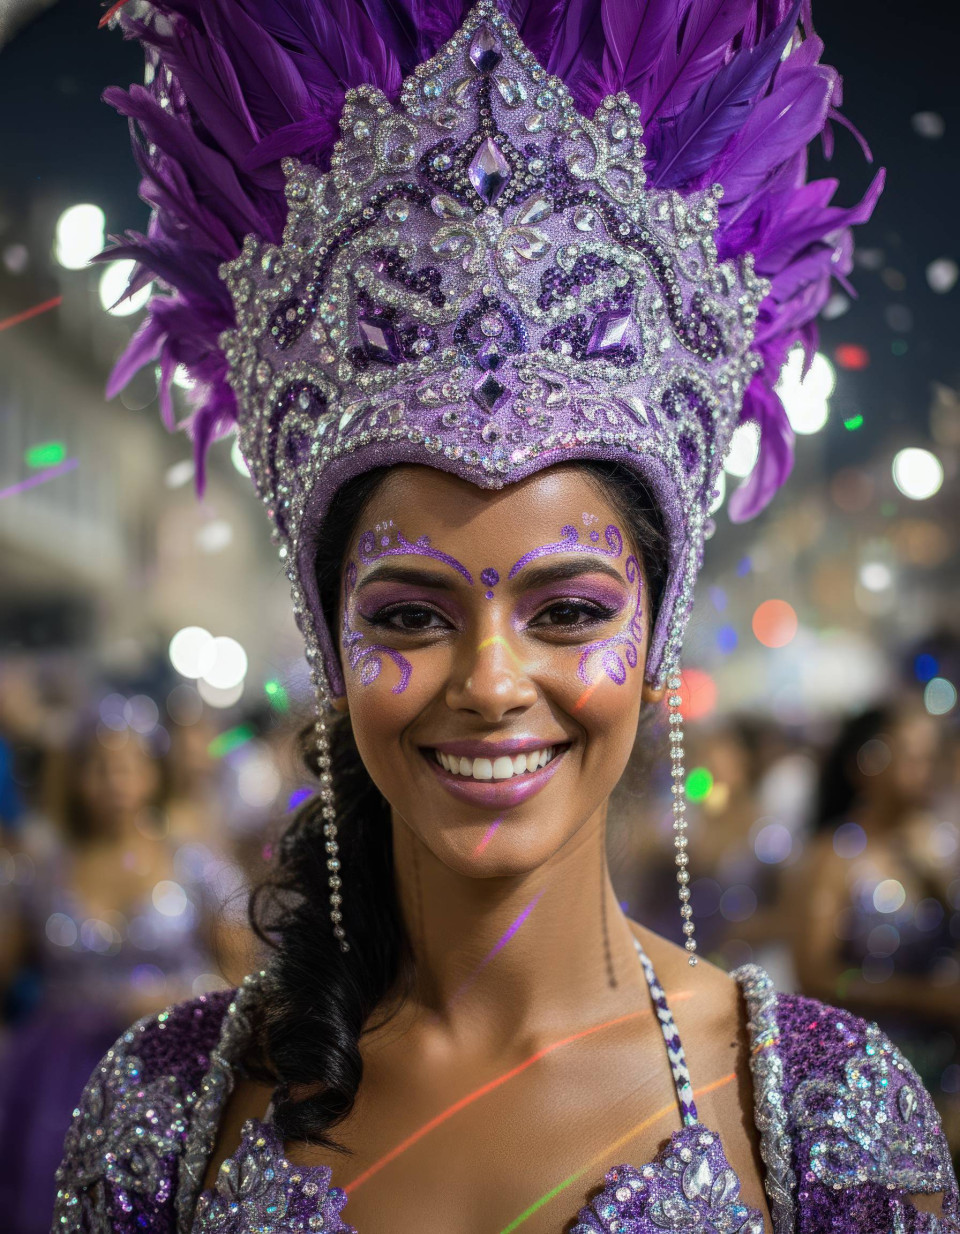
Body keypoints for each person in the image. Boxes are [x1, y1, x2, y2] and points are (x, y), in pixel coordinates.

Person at [52, 1, 957, 1230]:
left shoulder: (824, 1114)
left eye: (569, 609)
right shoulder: (163, 1109)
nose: (489, 682)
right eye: (409, 616)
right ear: (330, 648)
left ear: (655, 641)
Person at [0, 725, 215, 1233]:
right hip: (59, 1080)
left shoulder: (194, 864)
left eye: (128, 767)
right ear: (76, 779)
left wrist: (185, 996)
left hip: (174, 1071)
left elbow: (249, 976)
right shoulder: (41, 873)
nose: (115, 782)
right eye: (99, 768)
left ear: (154, 774)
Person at [791, 701, 960, 1160]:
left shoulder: (941, 845)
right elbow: (817, 977)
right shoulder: (835, 858)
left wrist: (938, 881)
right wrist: (923, 998)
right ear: (869, 762)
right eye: (911, 754)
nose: (925, 768)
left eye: (931, 755)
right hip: (872, 1078)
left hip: (947, 1069)